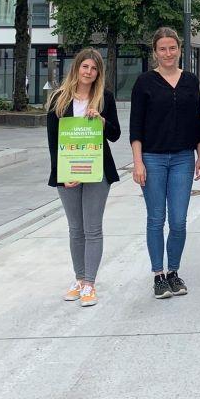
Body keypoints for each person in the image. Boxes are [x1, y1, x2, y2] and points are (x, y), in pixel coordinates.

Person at [130, 27, 200, 300]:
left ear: (179, 49)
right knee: (155, 218)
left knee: (179, 220)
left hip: (183, 158)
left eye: (172, 48)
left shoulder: (190, 80)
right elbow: (135, 127)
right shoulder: (144, 82)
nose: (168, 53)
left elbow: (196, 121)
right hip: (152, 158)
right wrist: (138, 162)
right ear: (155, 52)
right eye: (162, 48)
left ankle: (173, 271)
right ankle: (158, 275)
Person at [46, 48, 121, 308]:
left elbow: (115, 135)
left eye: (94, 68)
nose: (89, 72)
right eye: (85, 67)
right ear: (76, 68)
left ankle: (90, 283)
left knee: (92, 228)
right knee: (75, 229)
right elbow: (53, 141)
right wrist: (62, 174)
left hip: (97, 170)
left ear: (99, 72)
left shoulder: (104, 98)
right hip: (68, 172)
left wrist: (101, 120)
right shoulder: (59, 99)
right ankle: (78, 279)